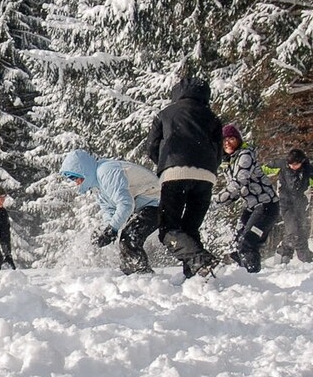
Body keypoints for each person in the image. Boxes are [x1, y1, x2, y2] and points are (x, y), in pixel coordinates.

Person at [146, 76, 223, 277]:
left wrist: (164, 166)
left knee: (168, 229)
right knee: (190, 228)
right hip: (206, 176)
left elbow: (152, 146)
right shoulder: (212, 117)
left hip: (174, 174)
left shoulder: (166, 114)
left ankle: (200, 260)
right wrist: (209, 168)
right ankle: (196, 276)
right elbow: (219, 152)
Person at [59, 150, 162, 275]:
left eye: (76, 177)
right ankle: (132, 272)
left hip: (158, 201)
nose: (76, 182)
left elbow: (126, 204)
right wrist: (106, 230)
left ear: (83, 170)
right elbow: (109, 210)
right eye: (72, 179)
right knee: (126, 237)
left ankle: (142, 274)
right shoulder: (97, 185)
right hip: (144, 205)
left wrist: (112, 229)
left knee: (129, 236)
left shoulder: (106, 172)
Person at [215, 123, 279, 273]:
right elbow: (237, 190)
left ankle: (252, 276)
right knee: (237, 242)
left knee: (247, 242)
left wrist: (218, 199)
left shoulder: (245, 155)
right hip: (251, 207)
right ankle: (242, 272)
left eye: (231, 139)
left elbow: (240, 180)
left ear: (238, 139)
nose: (227, 143)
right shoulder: (229, 162)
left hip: (266, 206)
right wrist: (224, 200)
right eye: (224, 141)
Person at [274, 148, 313, 263]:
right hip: (285, 204)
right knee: (296, 232)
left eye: (296, 164)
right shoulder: (281, 165)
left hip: (301, 205)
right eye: (291, 164)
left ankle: (284, 250)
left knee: (299, 230)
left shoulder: (308, 170)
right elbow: (262, 170)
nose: (293, 166)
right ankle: (307, 260)